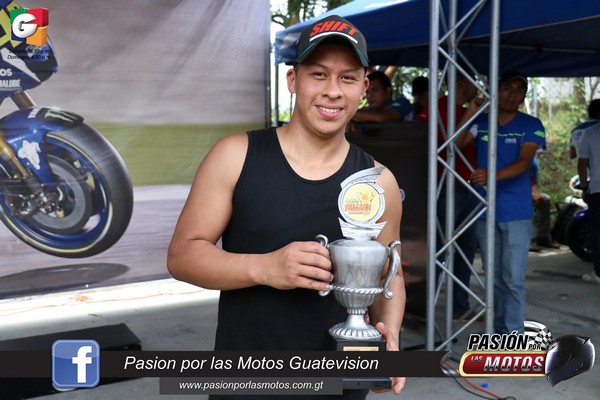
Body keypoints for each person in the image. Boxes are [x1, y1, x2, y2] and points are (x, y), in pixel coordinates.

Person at [167, 15, 406, 399]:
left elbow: (388, 272)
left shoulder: (379, 182)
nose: (332, 91)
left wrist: (389, 334)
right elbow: (182, 256)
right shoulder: (235, 156)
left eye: (347, 78)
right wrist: (265, 267)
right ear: (293, 80)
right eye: (319, 74)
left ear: (363, 88)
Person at [457, 71, 546, 334]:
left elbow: (524, 163)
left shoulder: (531, 124)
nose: (513, 94)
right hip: (484, 210)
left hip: (516, 212)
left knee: (513, 279)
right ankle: (498, 331)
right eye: (508, 88)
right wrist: (471, 110)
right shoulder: (481, 121)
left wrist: (491, 175)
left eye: (519, 90)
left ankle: (514, 333)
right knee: (493, 277)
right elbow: (456, 144)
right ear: (496, 91)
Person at [416, 72, 479, 321]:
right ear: (462, 83)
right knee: (439, 250)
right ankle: (426, 309)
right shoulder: (438, 106)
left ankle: (459, 306)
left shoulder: (476, 110)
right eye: (475, 82)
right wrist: (471, 113)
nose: (479, 88)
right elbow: (449, 146)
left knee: (466, 249)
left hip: (471, 187)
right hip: (445, 186)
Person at [577, 122, 600, 284]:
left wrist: (584, 187)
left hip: (598, 189)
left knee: (598, 232)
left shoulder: (589, 133)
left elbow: (582, 163)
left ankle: (599, 273)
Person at [529, 157, 560, 251]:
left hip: (528, 190)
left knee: (545, 200)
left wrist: (536, 193)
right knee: (525, 204)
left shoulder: (533, 160)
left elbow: (533, 179)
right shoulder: (520, 157)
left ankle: (542, 237)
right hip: (517, 192)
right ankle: (527, 241)